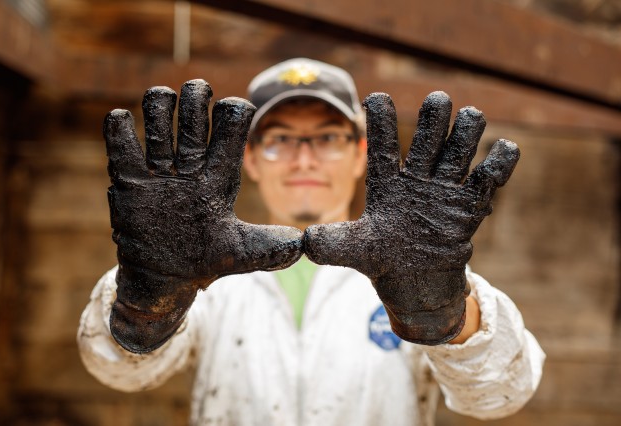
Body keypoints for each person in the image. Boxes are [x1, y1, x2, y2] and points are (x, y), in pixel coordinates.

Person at [78, 58, 545, 426]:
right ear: (251, 158)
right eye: (281, 139)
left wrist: (447, 317)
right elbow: (118, 369)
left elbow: (503, 394)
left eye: (326, 137)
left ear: (361, 153)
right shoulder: (204, 275)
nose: (304, 159)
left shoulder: (423, 265)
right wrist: (147, 301)